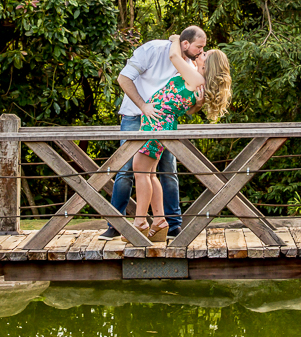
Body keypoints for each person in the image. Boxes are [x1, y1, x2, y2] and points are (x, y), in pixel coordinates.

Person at [99, 26, 207, 240]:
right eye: (199, 47)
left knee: (166, 172)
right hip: (136, 114)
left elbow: (188, 103)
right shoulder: (153, 49)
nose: (201, 52)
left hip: (161, 123)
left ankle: (169, 224)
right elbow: (123, 79)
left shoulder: (187, 63)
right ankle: (117, 224)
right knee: (127, 170)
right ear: (186, 44)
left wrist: (199, 103)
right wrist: (143, 106)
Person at [133, 34, 232, 241]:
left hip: (157, 124)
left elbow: (174, 57)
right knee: (149, 174)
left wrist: (177, 39)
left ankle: (140, 222)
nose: (201, 54)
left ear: (209, 64)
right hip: (157, 123)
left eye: (205, 54)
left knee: (141, 171)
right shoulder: (196, 77)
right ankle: (159, 221)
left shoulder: (196, 79)